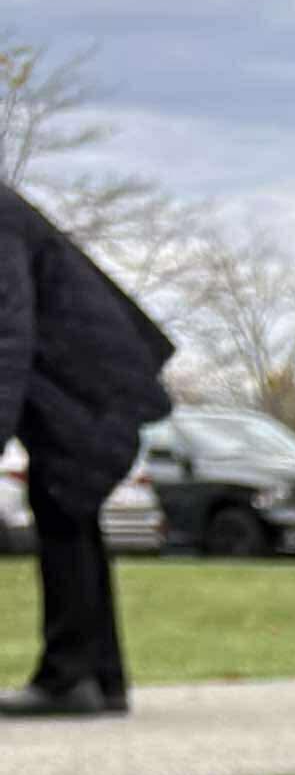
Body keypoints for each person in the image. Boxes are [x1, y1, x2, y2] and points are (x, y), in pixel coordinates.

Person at [0, 183, 176, 722]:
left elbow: (8, 331)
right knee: (68, 514)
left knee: (65, 509)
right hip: (85, 377)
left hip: (90, 382)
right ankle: (100, 678)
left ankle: (71, 679)